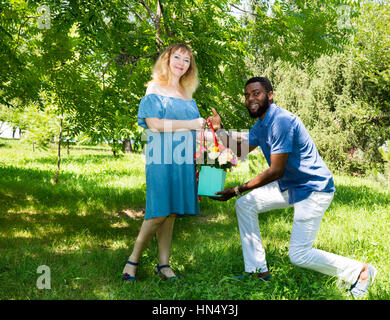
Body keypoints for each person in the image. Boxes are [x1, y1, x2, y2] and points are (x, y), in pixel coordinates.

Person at [208, 76, 377, 298]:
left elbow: (275, 171)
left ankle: (361, 271)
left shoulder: (281, 121)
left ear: (270, 95)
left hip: (313, 189)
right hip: (291, 185)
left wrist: (238, 188)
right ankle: (257, 271)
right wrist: (218, 131)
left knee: (299, 254)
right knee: (245, 206)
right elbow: (240, 150)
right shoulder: (262, 123)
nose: (250, 98)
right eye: (247, 95)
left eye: (256, 93)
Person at [122, 44, 206, 282]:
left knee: (170, 213)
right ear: (166, 60)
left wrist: (211, 134)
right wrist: (191, 125)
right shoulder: (154, 88)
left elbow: (197, 129)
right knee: (158, 212)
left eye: (187, 60)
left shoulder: (187, 94)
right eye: (176, 57)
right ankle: (132, 262)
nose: (181, 63)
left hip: (182, 158)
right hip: (160, 157)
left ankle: (163, 265)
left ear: (190, 67)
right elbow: (155, 125)